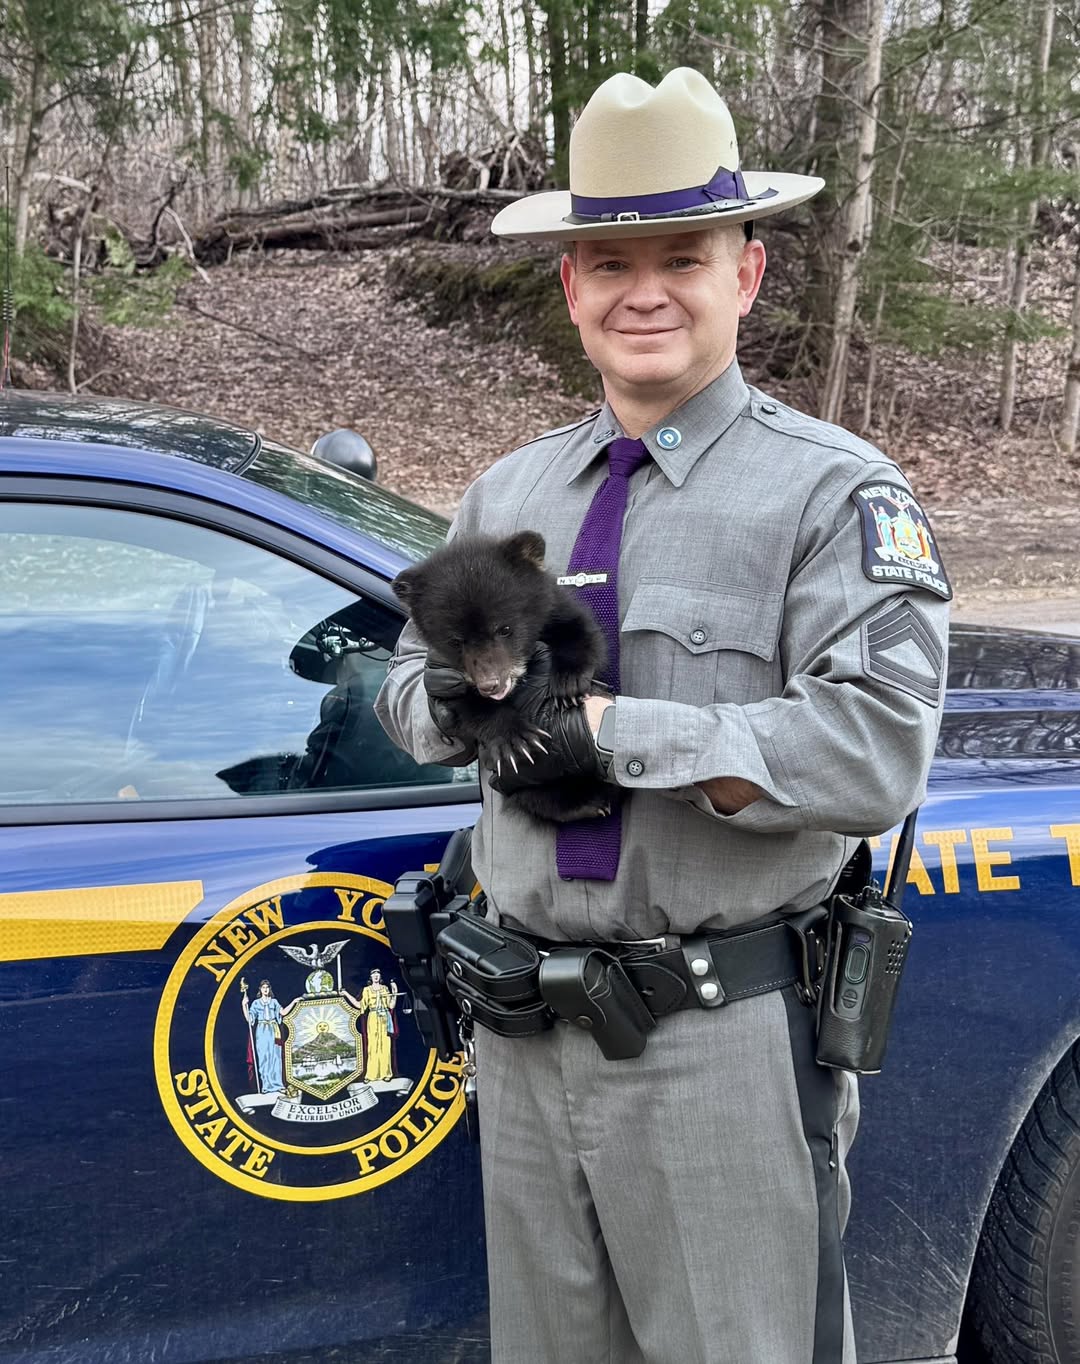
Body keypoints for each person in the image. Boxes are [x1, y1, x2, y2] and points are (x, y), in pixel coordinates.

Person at [375, 66, 950, 1364]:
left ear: (744, 274)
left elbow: (875, 753)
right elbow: (405, 692)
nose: (646, 290)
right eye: (610, 258)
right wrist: (472, 701)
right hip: (521, 1044)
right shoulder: (508, 494)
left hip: (722, 1049)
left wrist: (620, 733)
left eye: (682, 256)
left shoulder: (833, 497)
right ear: (571, 282)